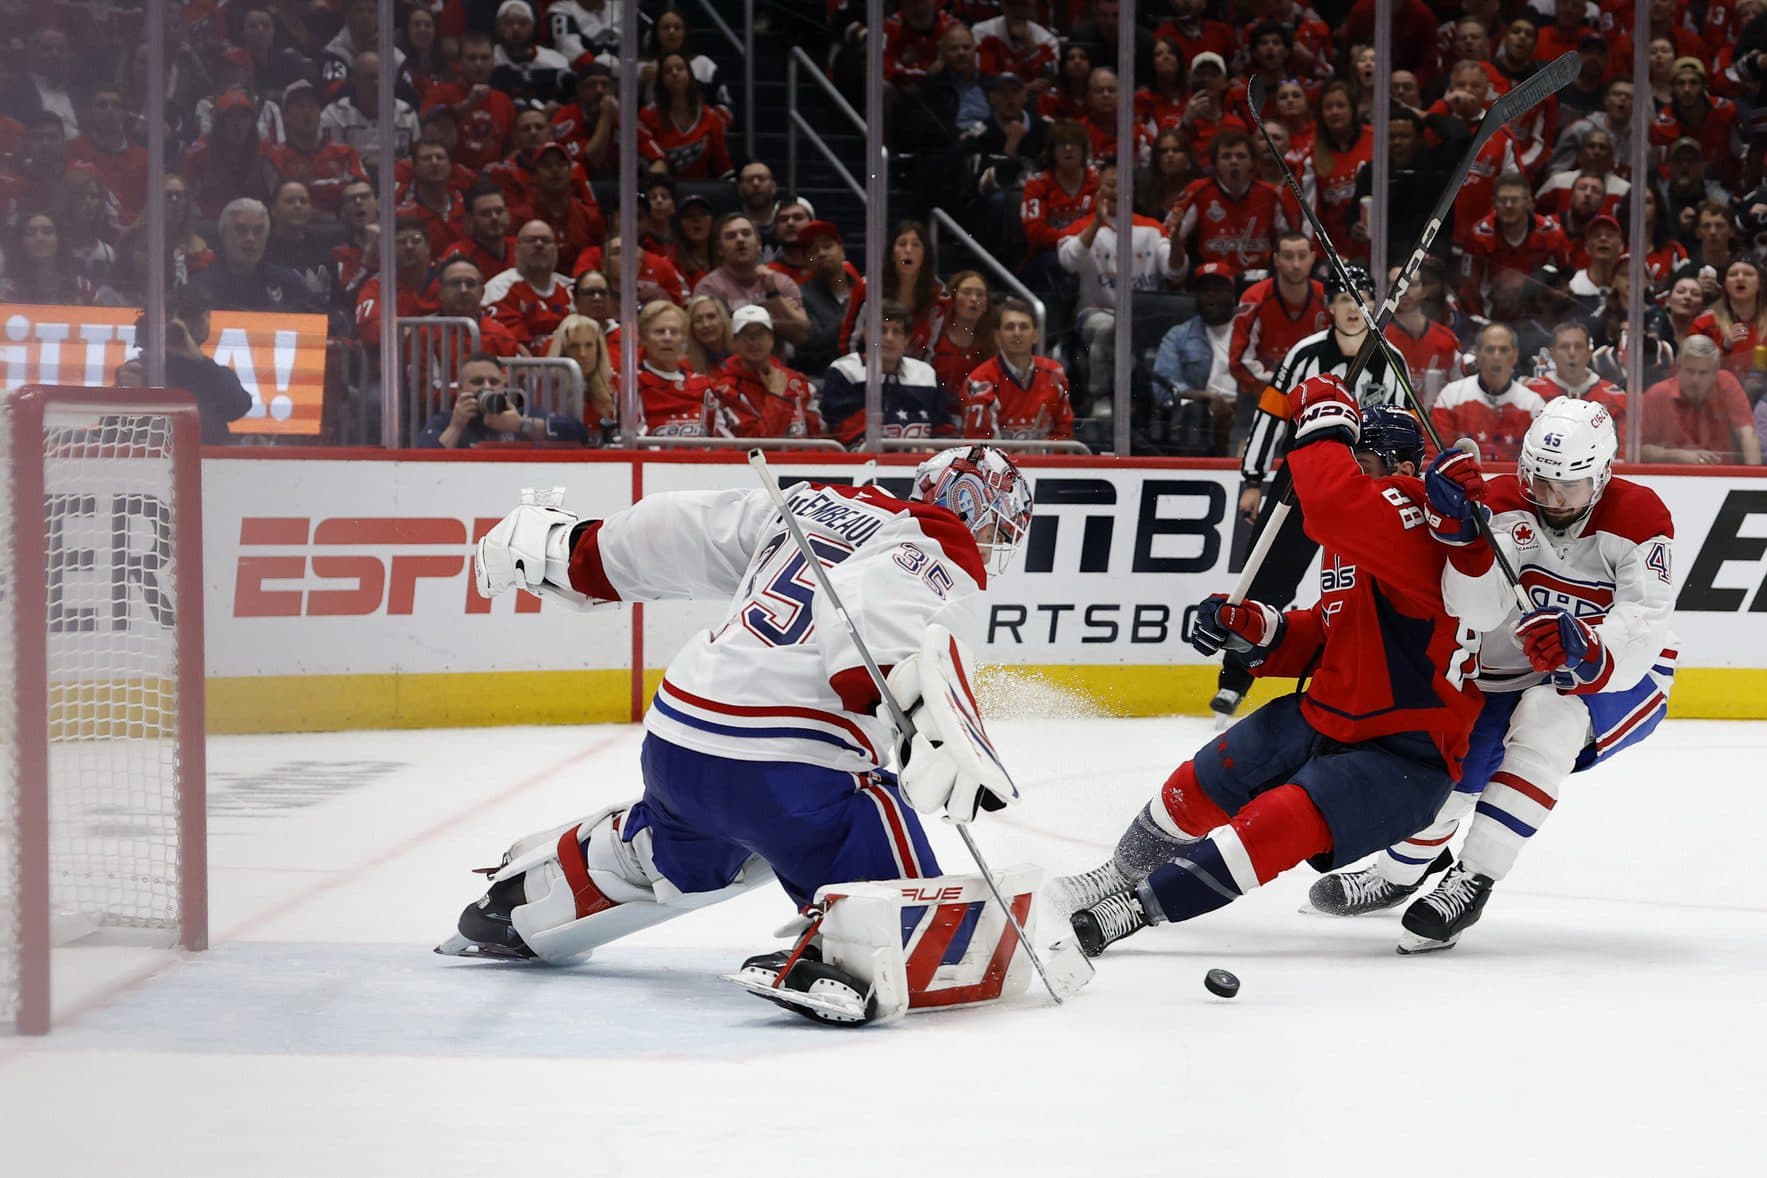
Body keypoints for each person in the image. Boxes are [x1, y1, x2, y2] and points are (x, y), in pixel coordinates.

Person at [448, 444, 1036, 1024]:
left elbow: (685, 530)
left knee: (687, 845)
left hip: (677, 743)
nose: (996, 546)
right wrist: (910, 706)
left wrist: (577, 553)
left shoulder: (813, 503)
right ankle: (853, 948)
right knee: (868, 805)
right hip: (783, 763)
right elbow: (877, 610)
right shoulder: (941, 544)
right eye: (1000, 531)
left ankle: (531, 897)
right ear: (974, 509)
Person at [1053, 386, 1493, 956]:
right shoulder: (1356, 538)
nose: (1349, 474)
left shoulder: (1414, 518)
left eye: (1359, 463)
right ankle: (1119, 874)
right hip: (1329, 715)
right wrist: (1259, 631)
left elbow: (1335, 500)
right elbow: (1332, 633)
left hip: (1403, 753)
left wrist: (1325, 424)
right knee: (1202, 780)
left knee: (1272, 825)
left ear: (1405, 468)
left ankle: (1132, 911)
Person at [1310, 400, 1678, 952]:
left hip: (1622, 678)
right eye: (1539, 480)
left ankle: (1472, 879)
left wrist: (1589, 647)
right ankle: (1397, 874)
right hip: (1517, 668)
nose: (1550, 499)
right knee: (1462, 762)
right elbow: (1478, 613)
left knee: (1547, 716)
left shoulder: (1641, 516)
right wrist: (1464, 540)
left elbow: (1643, 623)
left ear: (1602, 475)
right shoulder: (1503, 502)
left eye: (1567, 487)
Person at [1218, 266, 1412, 718]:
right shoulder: (1306, 354)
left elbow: (1405, 433)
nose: (1352, 308)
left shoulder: (1393, 359)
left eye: (1361, 298)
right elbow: (1270, 415)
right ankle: (1234, 679)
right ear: (1330, 307)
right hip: (1300, 486)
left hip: (1366, 494)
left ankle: (1381, 677)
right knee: (1267, 581)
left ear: (1373, 305)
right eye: (1344, 299)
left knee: (1372, 588)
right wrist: (1252, 479)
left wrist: (1403, 485)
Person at [1056, 164, 1184, 414]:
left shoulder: (1151, 227)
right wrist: (1096, 224)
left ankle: (1159, 405)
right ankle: (1099, 398)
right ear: (1098, 190)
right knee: (1107, 329)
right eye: (1110, 184)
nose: (1117, 190)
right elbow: (1068, 261)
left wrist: (1177, 239)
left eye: (1122, 184)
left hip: (1142, 316)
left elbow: (1175, 271)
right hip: (1095, 312)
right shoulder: (1082, 227)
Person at [1227, 231, 1327, 454]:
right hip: (1258, 395)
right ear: (1276, 259)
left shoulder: (1326, 298)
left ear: (1313, 257)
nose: (1295, 264)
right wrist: (1278, 389)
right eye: (1288, 256)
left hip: (1311, 399)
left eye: (1302, 256)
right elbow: (1238, 361)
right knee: (1244, 457)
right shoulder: (1255, 298)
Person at [821, 300, 950, 448]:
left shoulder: (926, 375)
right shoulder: (844, 371)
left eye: (896, 331)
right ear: (867, 335)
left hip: (920, 464)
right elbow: (845, 432)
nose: (889, 338)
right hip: (862, 466)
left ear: (906, 340)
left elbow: (943, 430)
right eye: (882, 330)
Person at [1152, 261, 1240, 452]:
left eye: (1218, 288)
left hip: (1245, 414)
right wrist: (1208, 398)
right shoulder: (1178, 336)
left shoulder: (1251, 330)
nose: (1211, 294)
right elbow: (1164, 387)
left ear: (1233, 294)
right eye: (1204, 289)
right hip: (1201, 419)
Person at [958, 297, 1074, 440]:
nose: (1017, 333)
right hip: (996, 462)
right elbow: (980, 446)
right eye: (1009, 327)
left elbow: (1064, 434)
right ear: (997, 336)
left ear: (1036, 335)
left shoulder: (1054, 374)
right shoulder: (979, 381)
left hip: (1045, 462)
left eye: (1024, 327)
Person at [418, 351, 588, 448]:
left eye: (494, 381)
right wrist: (456, 427)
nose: (487, 387)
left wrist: (521, 425)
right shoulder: (445, 421)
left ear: (504, 386)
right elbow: (422, 467)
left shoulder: (523, 415)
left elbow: (579, 434)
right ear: (461, 389)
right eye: (477, 382)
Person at [150, 290, 255, 444]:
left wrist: (199, 360)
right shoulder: (147, 369)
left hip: (210, 462)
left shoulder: (210, 373)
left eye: (205, 316)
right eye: (189, 318)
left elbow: (238, 406)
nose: (202, 322)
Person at [1432, 324, 1547, 463]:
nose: (1496, 357)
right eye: (1490, 349)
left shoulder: (1533, 404)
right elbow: (1435, 455)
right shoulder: (1451, 396)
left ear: (1515, 355)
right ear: (1478, 354)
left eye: (1504, 350)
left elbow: (1539, 462)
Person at [1640, 335, 1763, 464]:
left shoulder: (1727, 384)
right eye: (1690, 371)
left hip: (1723, 476)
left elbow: (1747, 434)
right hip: (1674, 477)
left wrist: (1754, 478)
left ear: (1715, 373)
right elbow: (1641, 450)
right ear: (1677, 368)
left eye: (1703, 373)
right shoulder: (1657, 394)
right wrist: (1679, 456)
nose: (1695, 380)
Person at [695, 214, 810, 347]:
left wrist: (773, 295)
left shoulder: (780, 282)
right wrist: (772, 319)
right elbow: (708, 338)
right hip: (726, 364)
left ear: (759, 245)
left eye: (746, 233)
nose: (740, 240)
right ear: (720, 249)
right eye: (731, 236)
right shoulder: (708, 288)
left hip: (775, 365)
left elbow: (802, 335)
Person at [190, 197, 319, 313]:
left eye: (258, 231)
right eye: (241, 230)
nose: (250, 238)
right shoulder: (200, 286)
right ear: (224, 234)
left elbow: (329, 320)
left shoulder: (288, 281)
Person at [714, 304, 821, 439]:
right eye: (746, 335)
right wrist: (776, 396)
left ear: (771, 338)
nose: (753, 342)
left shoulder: (798, 383)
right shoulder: (724, 392)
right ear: (734, 342)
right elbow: (758, 448)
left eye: (759, 333)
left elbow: (818, 438)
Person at [630, 299, 730, 437]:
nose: (667, 338)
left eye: (674, 332)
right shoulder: (632, 384)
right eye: (659, 332)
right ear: (644, 339)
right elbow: (635, 441)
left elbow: (722, 439)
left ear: (683, 338)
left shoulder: (704, 386)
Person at [484, 219, 574, 353]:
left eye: (546, 240)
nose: (539, 244)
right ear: (517, 249)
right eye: (531, 240)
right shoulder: (499, 290)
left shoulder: (570, 289)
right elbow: (515, 349)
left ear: (556, 249)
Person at [1528, 321, 1628, 435]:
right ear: (1553, 353)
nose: (1572, 353)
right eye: (1564, 347)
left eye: (1579, 346)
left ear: (1589, 353)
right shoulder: (1532, 392)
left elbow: (1623, 449)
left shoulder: (1615, 397)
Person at [545, 313, 616, 427]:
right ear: (563, 351)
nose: (582, 354)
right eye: (574, 346)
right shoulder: (546, 390)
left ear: (599, 350)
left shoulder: (615, 386)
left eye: (589, 345)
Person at [685, 293, 733, 373]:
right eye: (698, 320)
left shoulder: (743, 353)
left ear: (723, 319)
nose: (706, 324)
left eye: (711, 317)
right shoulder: (686, 365)